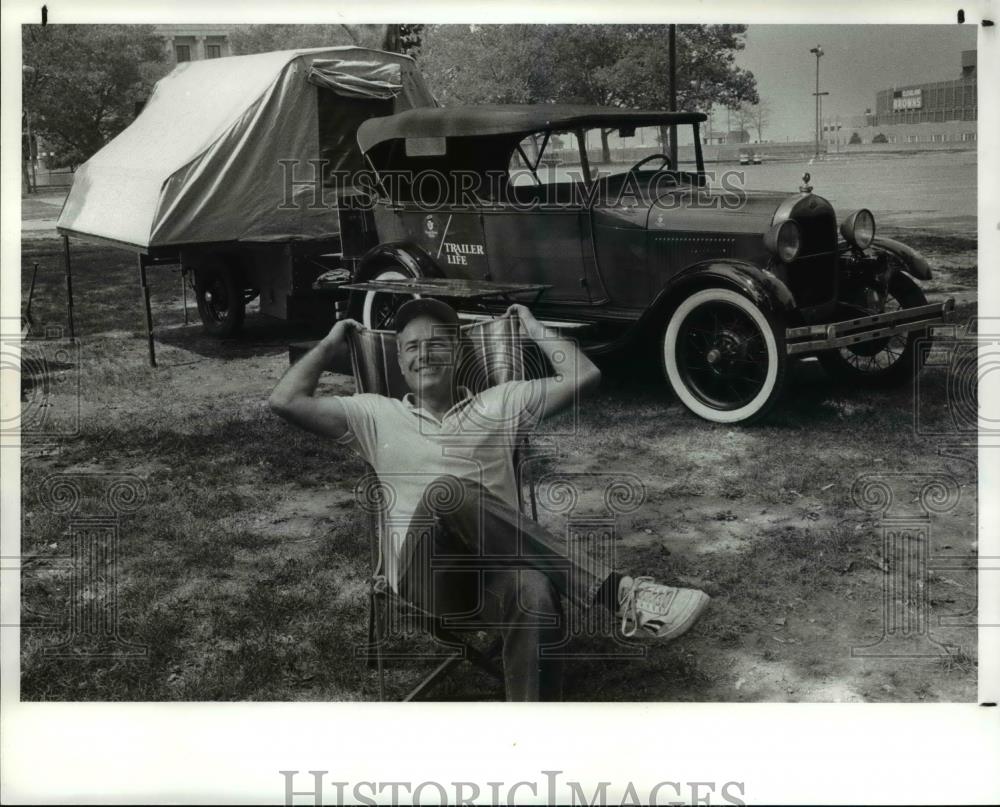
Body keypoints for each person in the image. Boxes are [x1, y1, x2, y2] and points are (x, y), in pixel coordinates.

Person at [269, 299, 710, 700]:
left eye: (437, 344)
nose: (423, 354)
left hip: (497, 575)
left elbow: (584, 376)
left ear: (458, 353)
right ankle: (620, 594)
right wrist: (330, 343)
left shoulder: (501, 403)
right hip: (429, 577)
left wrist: (532, 325)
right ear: (399, 362)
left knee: (534, 589)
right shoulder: (374, 414)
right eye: (411, 347)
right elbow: (285, 401)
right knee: (449, 492)